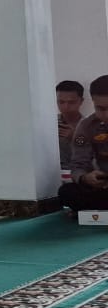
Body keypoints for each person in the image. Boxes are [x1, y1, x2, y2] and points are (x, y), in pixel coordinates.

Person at [59, 74, 108, 215]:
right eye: (101, 108)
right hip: (104, 184)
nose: (106, 115)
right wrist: (85, 178)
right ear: (93, 102)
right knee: (67, 192)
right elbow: (78, 164)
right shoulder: (87, 126)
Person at [57, 79, 86, 170]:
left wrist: (75, 138)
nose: (66, 107)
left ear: (81, 101)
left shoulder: (90, 125)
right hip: (53, 173)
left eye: (71, 102)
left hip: (82, 174)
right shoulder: (49, 124)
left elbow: (97, 158)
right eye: (61, 102)